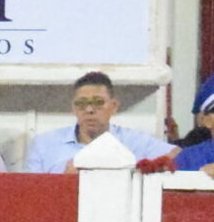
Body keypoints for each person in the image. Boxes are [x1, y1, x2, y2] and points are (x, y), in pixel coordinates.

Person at [21, 71, 174, 174]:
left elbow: (180, 156)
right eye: (81, 103)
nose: (89, 110)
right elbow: (30, 192)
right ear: (73, 108)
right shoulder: (44, 144)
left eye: (98, 102)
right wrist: (64, 181)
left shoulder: (135, 141)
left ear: (114, 106)